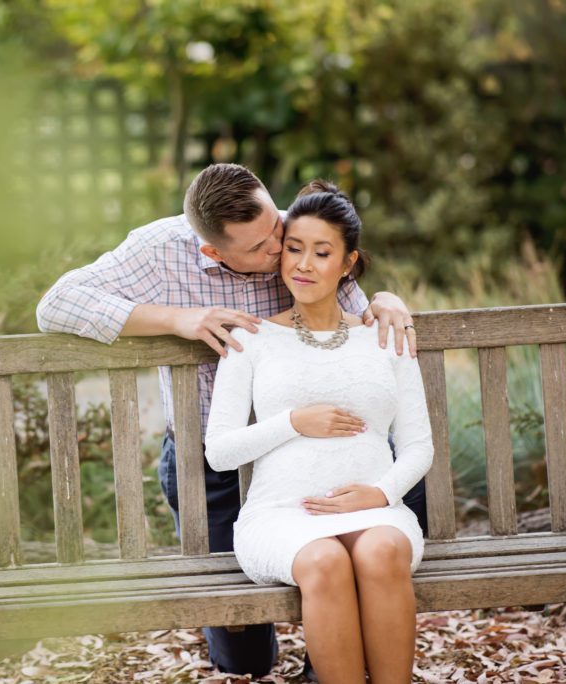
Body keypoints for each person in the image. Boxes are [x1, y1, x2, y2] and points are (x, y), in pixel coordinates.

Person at [36, 163, 426, 679]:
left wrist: (385, 299)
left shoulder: (290, 234)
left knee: (363, 560)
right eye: (265, 246)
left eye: (277, 228)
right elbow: (57, 304)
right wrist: (180, 319)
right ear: (213, 252)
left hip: (332, 466)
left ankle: (326, 668)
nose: (281, 248)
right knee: (245, 654)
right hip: (213, 463)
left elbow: (348, 310)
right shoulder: (158, 251)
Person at [205, 179, 432, 683]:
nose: (303, 264)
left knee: (382, 550)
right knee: (326, 561)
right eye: (294, 248)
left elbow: (418, 445)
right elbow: (219, 452)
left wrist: (379, 493)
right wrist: (292, 422)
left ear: (348, 262)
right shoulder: (252, 339)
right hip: (284, 517)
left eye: (321, 252)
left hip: (377, 511)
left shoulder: (385, 335)